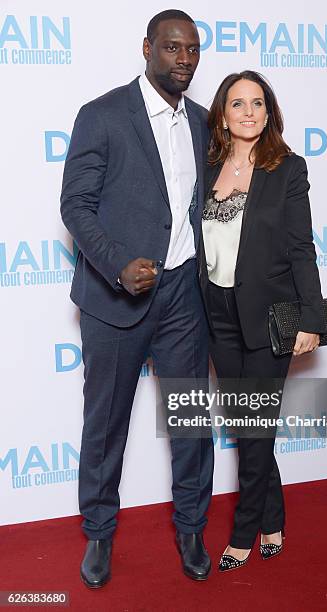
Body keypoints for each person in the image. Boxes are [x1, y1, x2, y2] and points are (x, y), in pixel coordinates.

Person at [60, 10, 214, 587]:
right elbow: (75, 205)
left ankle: (192, 529)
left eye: (193, 49)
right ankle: (98, 535)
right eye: (173, 47)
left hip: (183, 294)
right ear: (147, 47)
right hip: (114, 296)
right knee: (106, 426)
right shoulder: (101, 116)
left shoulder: (203, 123)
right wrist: (117, 265)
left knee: (191, 421)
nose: (184, 59)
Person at [199, 70, 324, 571]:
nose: (248, 112)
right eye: (237, 104)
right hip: (217, 316)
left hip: (272, 318)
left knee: (255, 428)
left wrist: (310, 318)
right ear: (223, 116)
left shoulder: (288, 169)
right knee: (247, 426)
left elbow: (301, 249)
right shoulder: (206, 167)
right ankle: (274, 518)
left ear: (268, 112)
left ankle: (244, 531)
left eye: (257, 103)